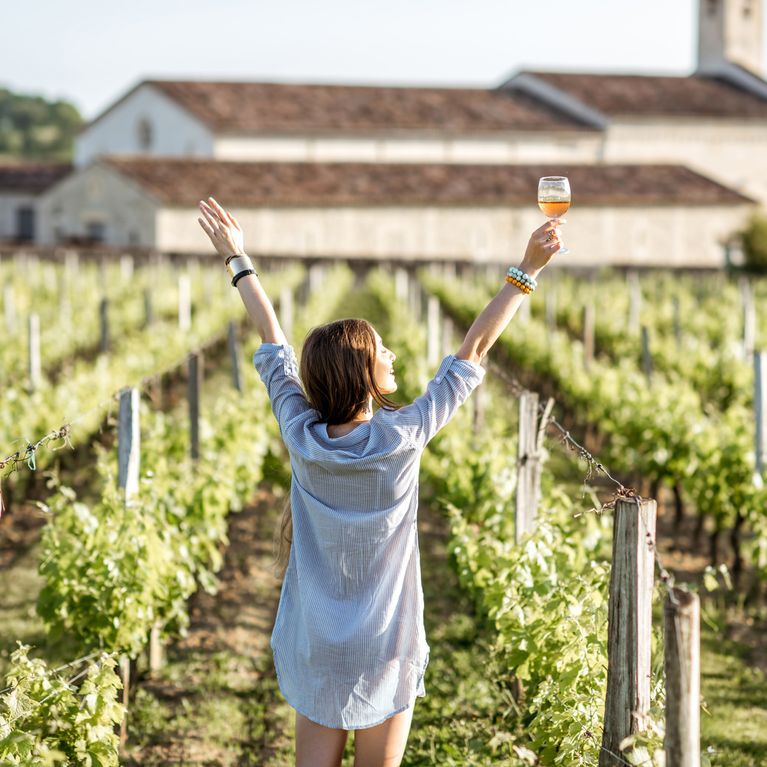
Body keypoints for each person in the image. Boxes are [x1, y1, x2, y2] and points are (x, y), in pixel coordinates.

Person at [197, 197, 559, 767]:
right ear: (364, 373)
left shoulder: (300, 433)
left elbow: (272, 342)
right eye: (381, 349)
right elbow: (476, 349)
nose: (391, 353)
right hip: (385, 644)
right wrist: (527, 270)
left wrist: (237, 258)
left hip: (317, 639)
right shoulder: (405, 436)